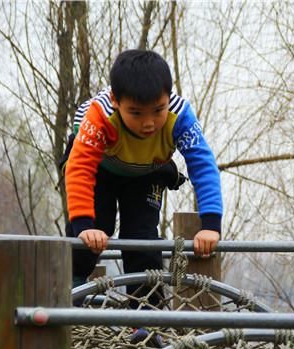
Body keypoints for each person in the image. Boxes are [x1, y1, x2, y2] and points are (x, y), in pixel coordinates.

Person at [62, 49, 223, 307]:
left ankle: (146, 317)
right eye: (136, 113)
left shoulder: (179, 116)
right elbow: (80, 167)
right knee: (95, 230)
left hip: (147, 171)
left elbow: (203, 165)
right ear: (116, 100)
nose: (148, 123)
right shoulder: (100, 115)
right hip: (99, 167)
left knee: (143, 239)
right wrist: (83, 225)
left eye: (157, 110)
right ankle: (73, 285)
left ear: (167, 99)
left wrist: (211, 225)